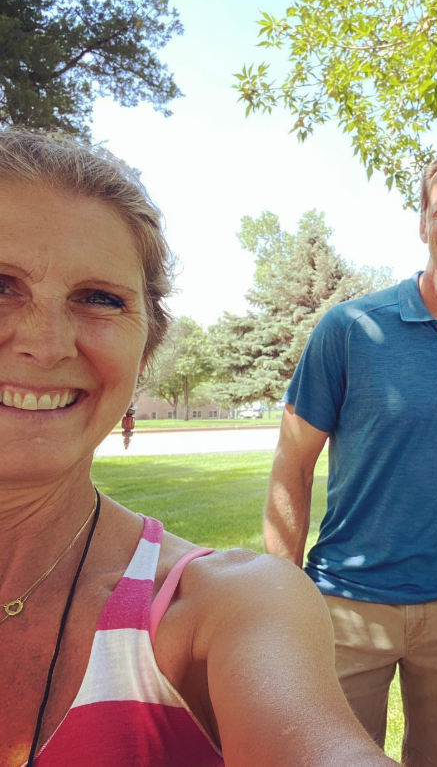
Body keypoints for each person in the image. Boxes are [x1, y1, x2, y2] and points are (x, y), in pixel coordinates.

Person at [0, 129, 398, 767]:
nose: (46, 344)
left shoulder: (218, 607)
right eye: (1, 284)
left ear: (146, 345)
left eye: (99, 299)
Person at [264, 149, 437, 767]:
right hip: (347, 603)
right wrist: (281, 594)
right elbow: (292, 464)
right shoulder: (350, 328)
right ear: (422, 223)